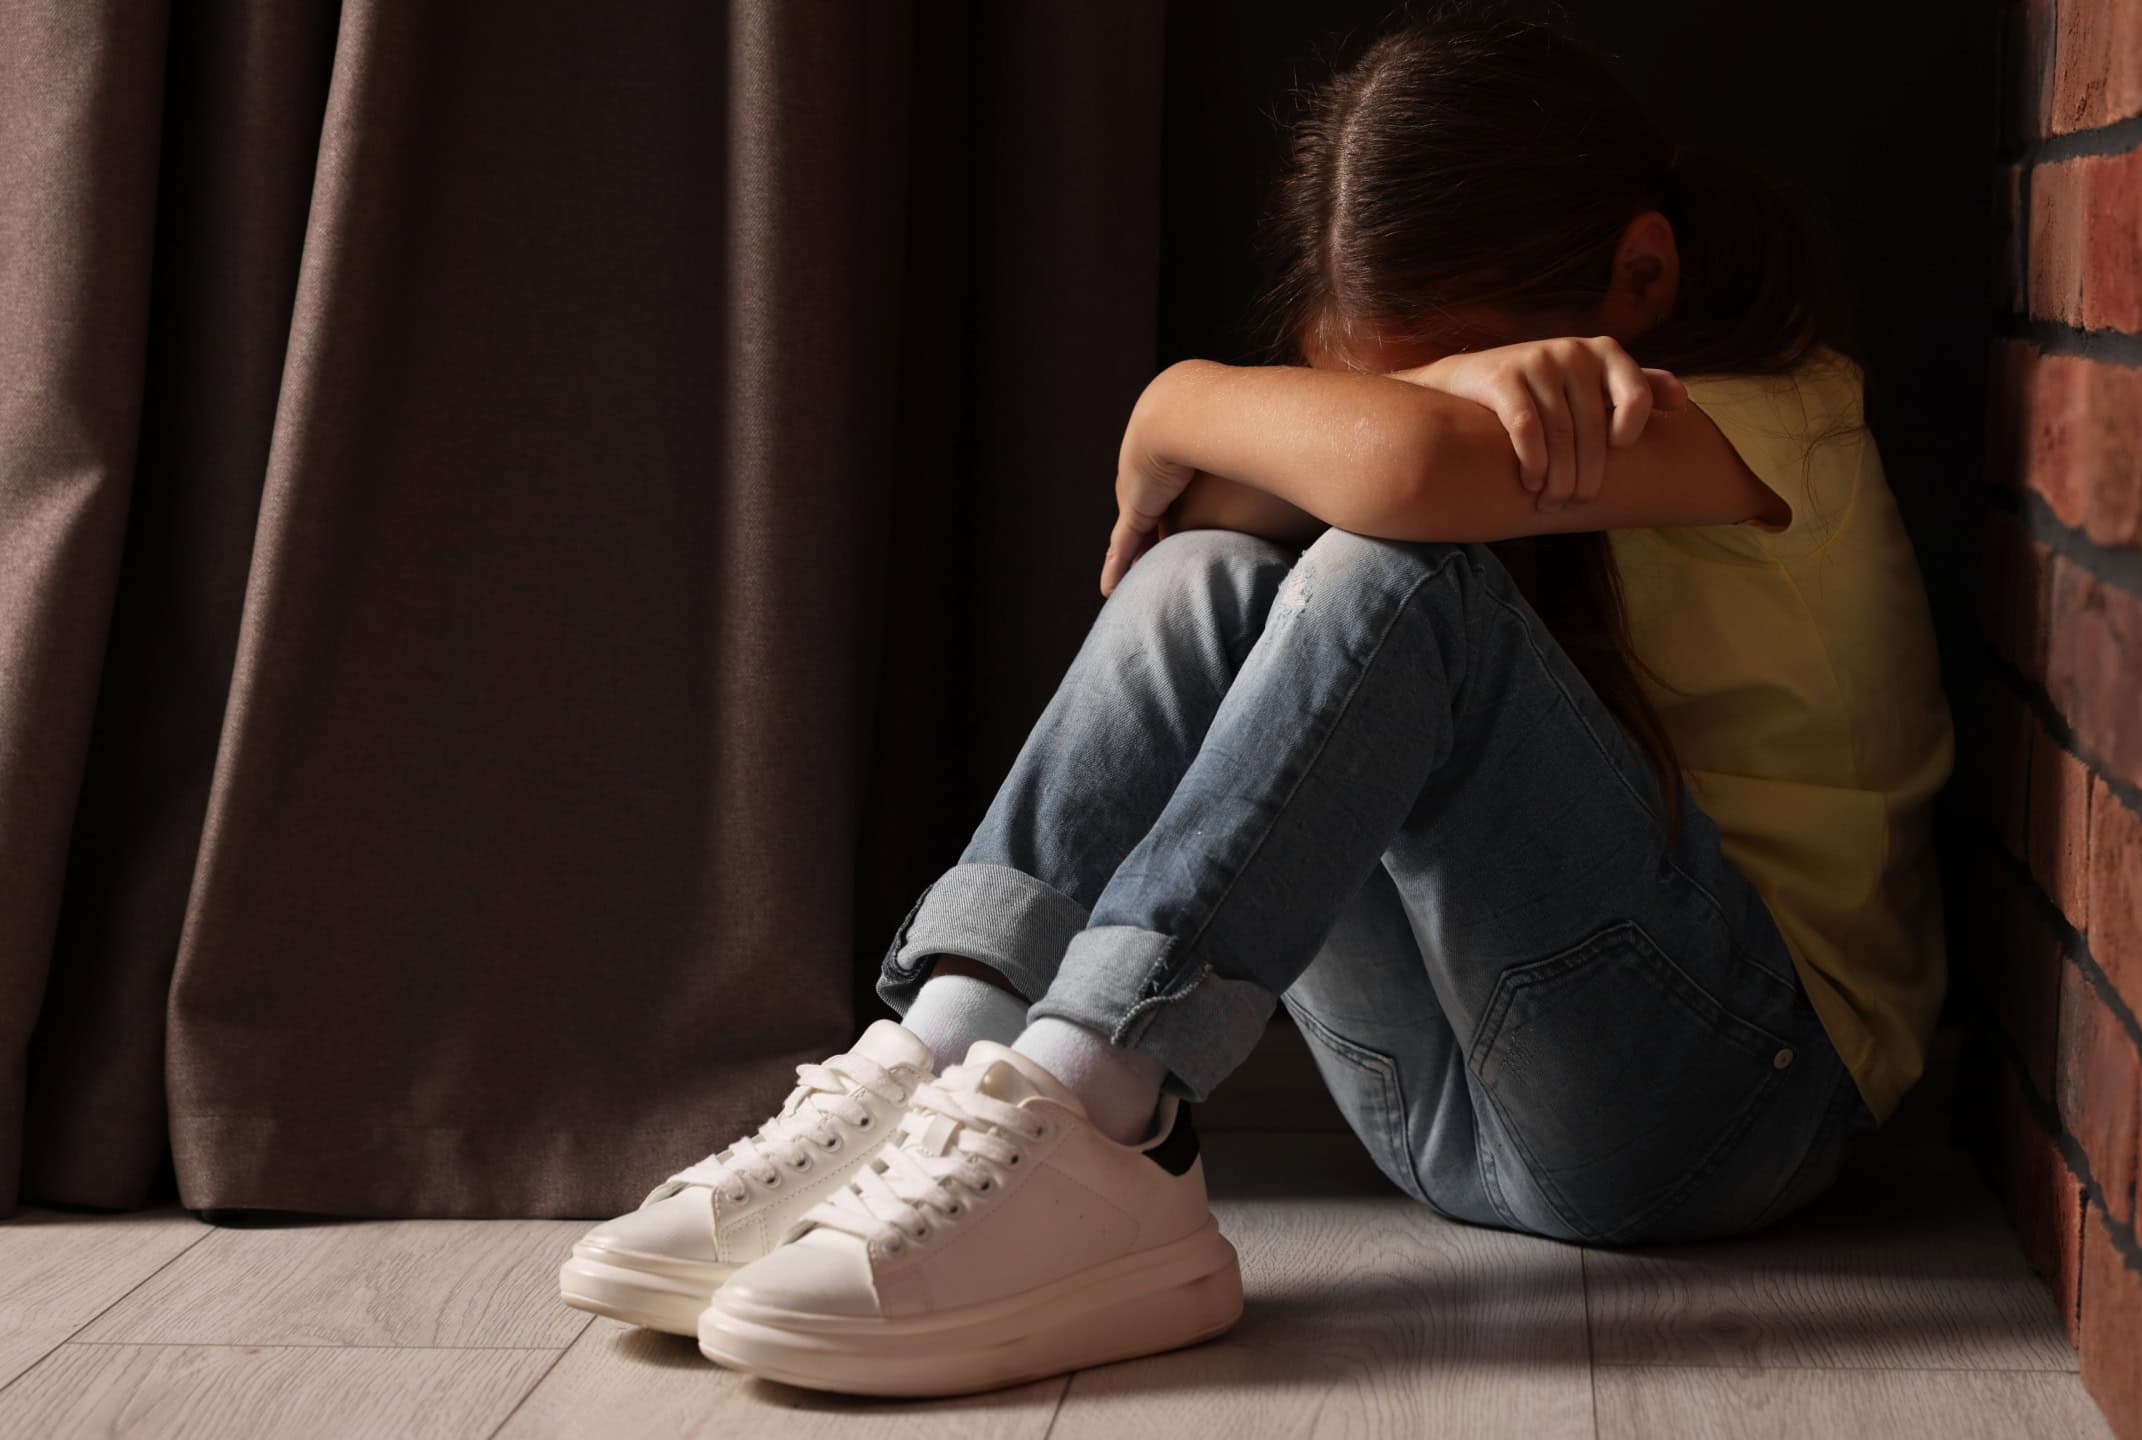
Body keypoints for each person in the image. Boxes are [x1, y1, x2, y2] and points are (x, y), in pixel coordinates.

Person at [559, 16, 1952, 1397]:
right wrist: (1396, 399)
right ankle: (949, 1042)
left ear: (1637, 275)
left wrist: (1175, 400)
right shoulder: (1494, 431)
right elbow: (1233, 507)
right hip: (1443, 1104)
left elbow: (1396, 490)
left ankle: (1095, 1107)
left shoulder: (1778, 425)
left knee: (1397, 577)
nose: (1408, 420)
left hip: (1727, 1106)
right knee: (1217, 570)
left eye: (1455, 371)